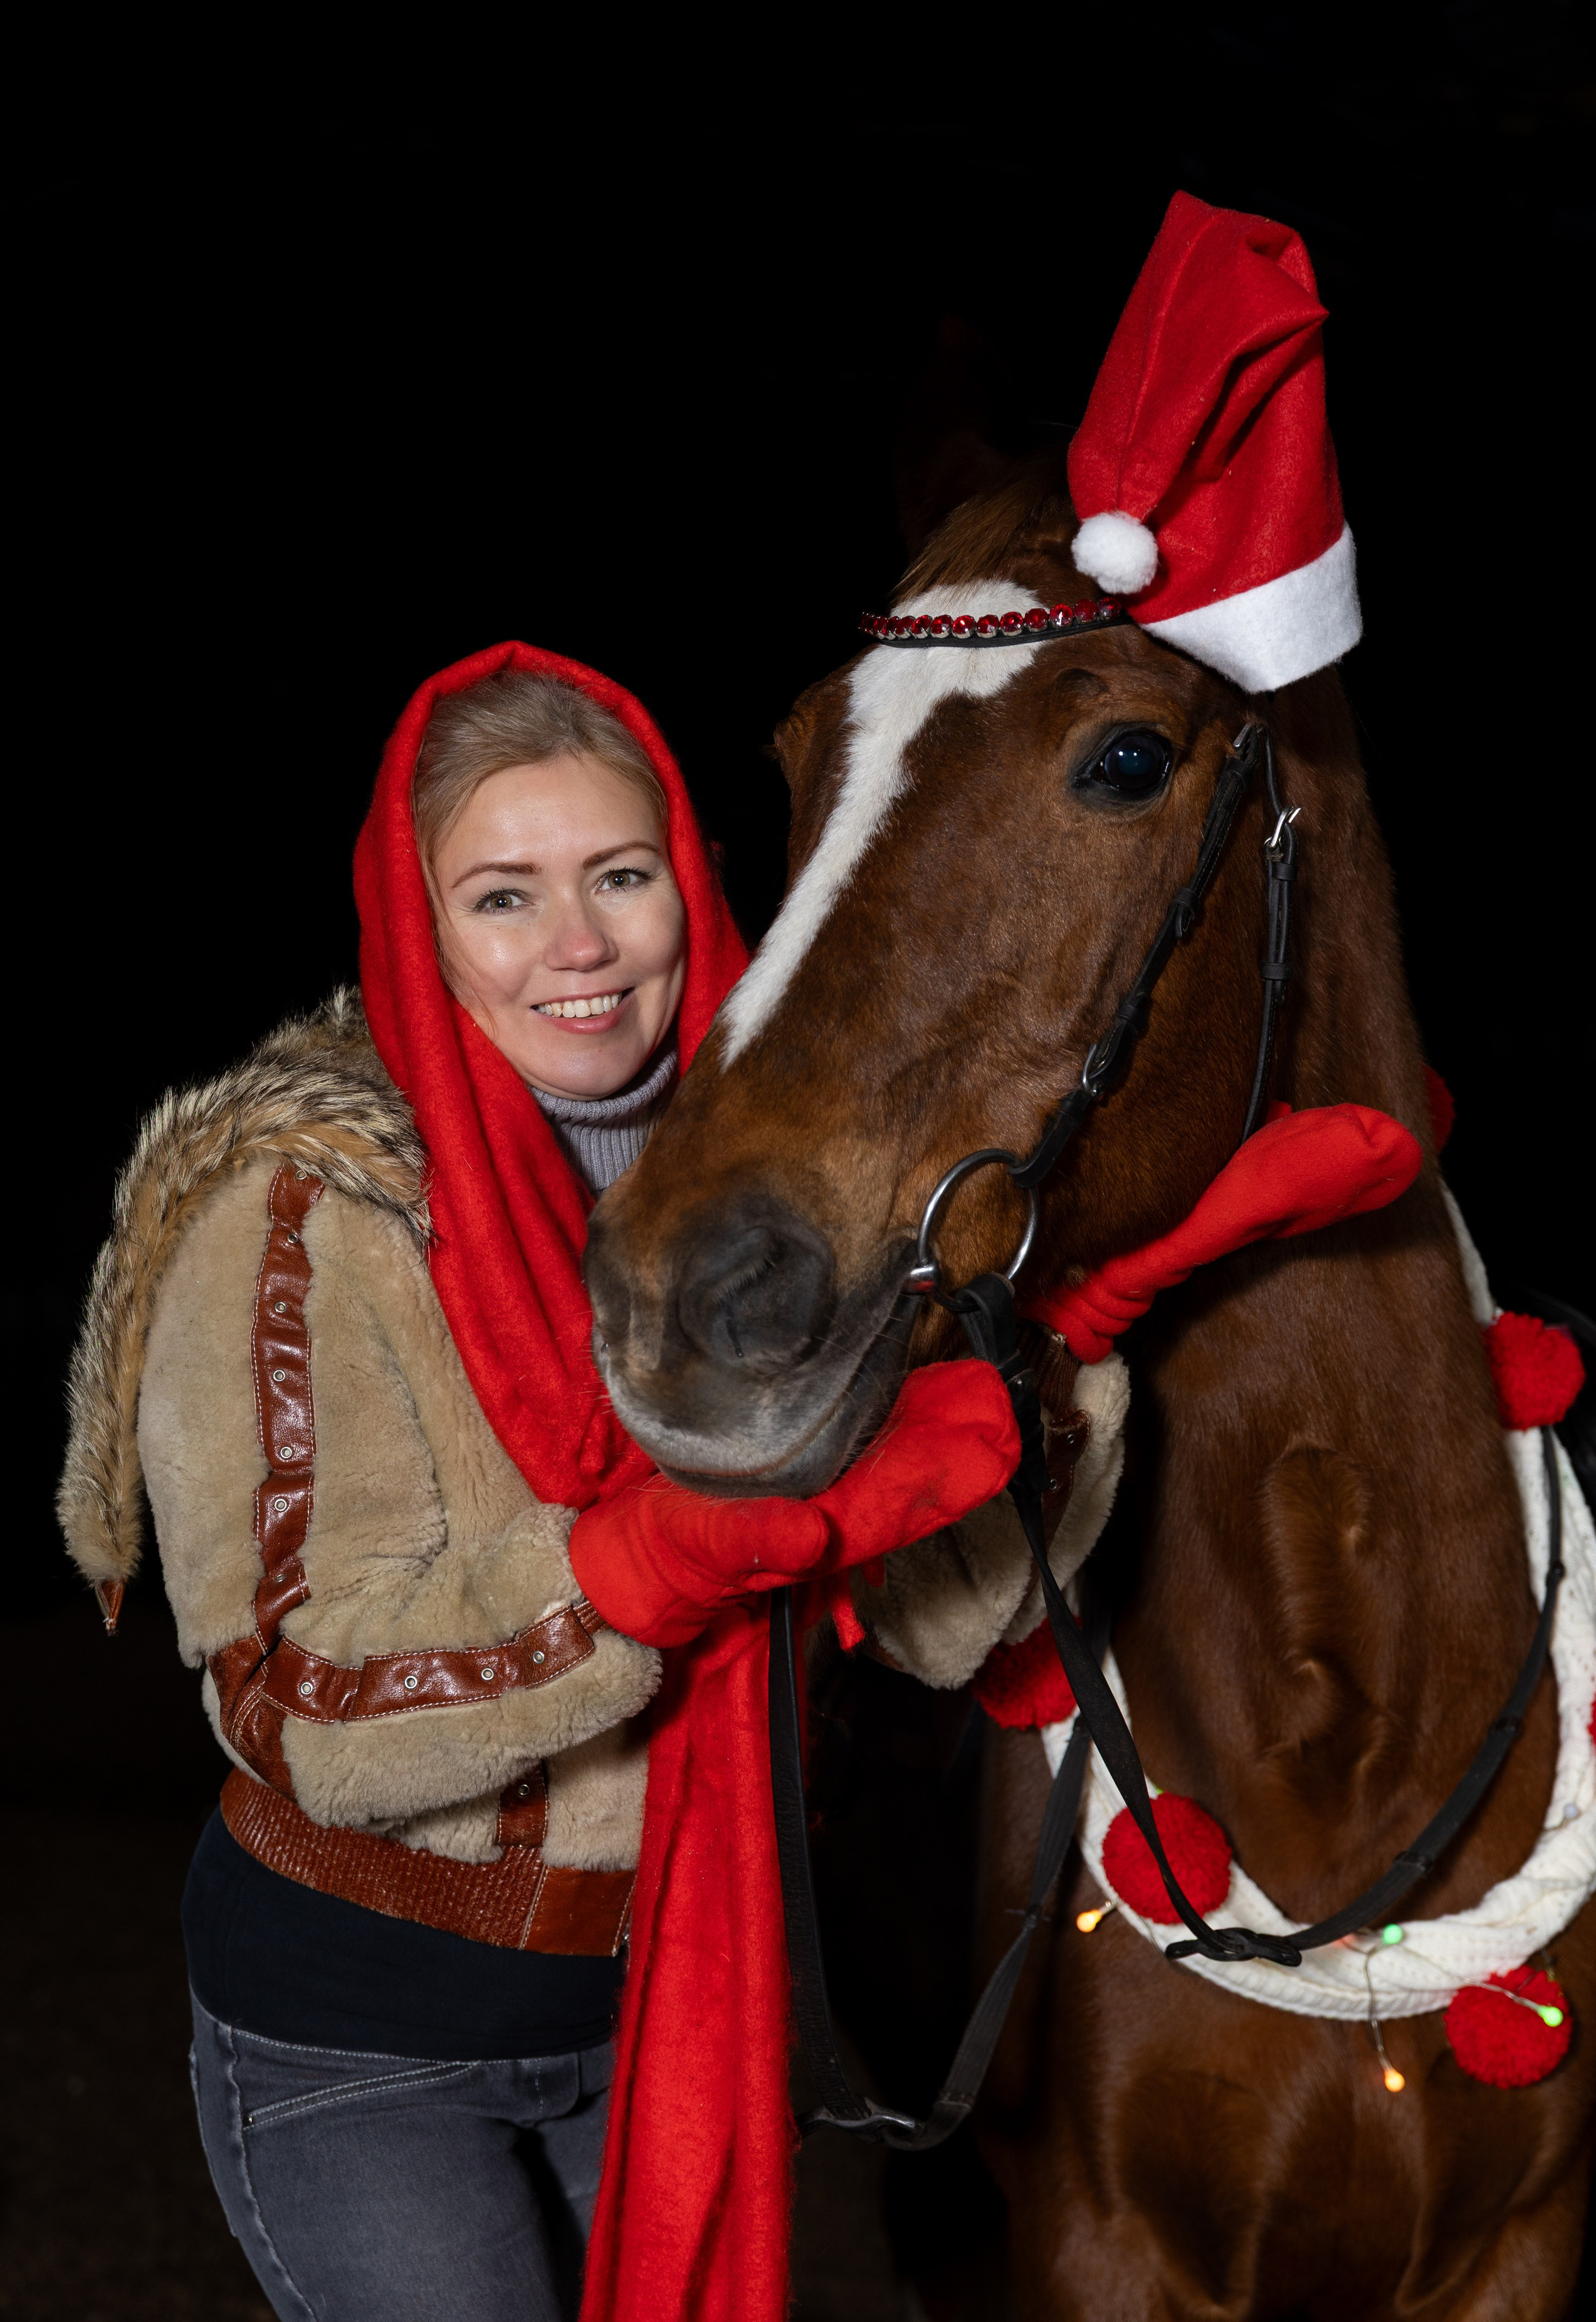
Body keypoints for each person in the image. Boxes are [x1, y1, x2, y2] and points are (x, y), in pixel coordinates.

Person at [56, 643, 1021, 2322]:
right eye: (504, 896)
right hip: (365, 2035)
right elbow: (291, 1696)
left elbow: (953, 1629)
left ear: (693, 894)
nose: (578, 947)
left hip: (675, 2011)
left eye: (620, 877)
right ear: (421, 933)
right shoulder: (305, 1210)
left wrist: (1050, 1383)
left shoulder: (813, 1198)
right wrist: (647, 1567)